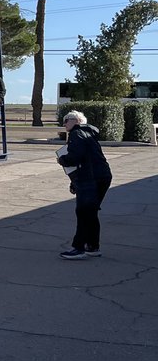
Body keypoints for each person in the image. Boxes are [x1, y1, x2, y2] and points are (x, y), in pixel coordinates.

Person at [56, 110, 112, 260]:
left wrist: (62, 160)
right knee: (91, 212)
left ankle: (78, 247)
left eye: (66, 120)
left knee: (84, 212)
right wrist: (75, 182)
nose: (64, 123)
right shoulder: (89, 134)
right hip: (102, 176)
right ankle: (93, 246)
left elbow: (75, 158)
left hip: (91, 178)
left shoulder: (77, 134)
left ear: (76, 121)